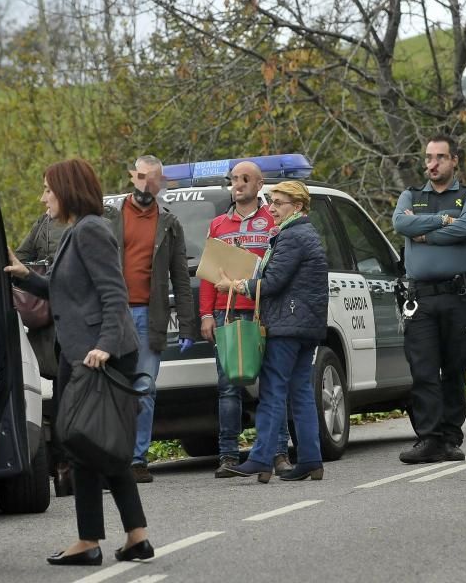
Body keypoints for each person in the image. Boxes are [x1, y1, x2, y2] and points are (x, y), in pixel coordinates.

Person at [5, 158, 153, 566]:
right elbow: (65, 290)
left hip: (97, 355)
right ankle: (132, 536)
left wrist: (104, 346)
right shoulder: (77, 232)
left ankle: (92, 541)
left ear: (67, 190)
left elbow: (113, 293)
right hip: (80, 353)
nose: (43, 198)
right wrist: (23, 276)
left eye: (48, 190)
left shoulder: (90, 231)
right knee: (91, 442)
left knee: (85, 442)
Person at [214, 180, 328, 483]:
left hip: (287, 325)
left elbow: (273, 281)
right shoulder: (306, 234)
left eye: (278, 203)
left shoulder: (292, 237)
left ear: (298, 206)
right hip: (306, 325)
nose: (272, 208)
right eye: (272, 202)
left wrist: (235, 286)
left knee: (273, 391)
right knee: (301, 392)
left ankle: (261, 458)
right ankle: (311, 460)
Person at [392, 134, 466, 464]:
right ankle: (429, 438)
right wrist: (443, 220)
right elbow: (401, 223)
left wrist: (425, 234)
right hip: (421, 299)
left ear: (454, 160)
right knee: (424, 369)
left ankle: (450, 436)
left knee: (455, 367)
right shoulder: (412, 195)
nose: (432, 164)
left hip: (458, 295)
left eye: (440, 158)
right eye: (428, 158)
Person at [198, 161, 293, 478]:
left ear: (259, 184)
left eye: (244, 179)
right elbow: (209, 275)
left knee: (271, 384)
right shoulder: (218, 225)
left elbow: (281, 269)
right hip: (226, 313)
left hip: (261, 312)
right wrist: (206, 314)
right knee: (228, 387)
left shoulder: (272, 222)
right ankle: (227, 455)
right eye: (233, 179)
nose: (237, 184)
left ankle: (279, 452)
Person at [104, 155, 195, 483]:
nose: (145, 184)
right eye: (140, 177)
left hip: (149, 315)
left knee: (144, 387)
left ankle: (137, 460)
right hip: (113, 315)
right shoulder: (110, 217)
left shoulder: (169, 223)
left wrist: (187, 325)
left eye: (151, 179)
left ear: (159, 184)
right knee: (114, 388)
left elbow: (181, 278)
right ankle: (113, 457)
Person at [15, 209, 71, 495]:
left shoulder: (52, 224)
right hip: (58, 325)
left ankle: (65, 468)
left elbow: (20, 259)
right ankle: (67, 468)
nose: (43, 198)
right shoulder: (45, 223)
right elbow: (21, 259)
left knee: (65, 397)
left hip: (62, 324)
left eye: (48, 191)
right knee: (68, 397)